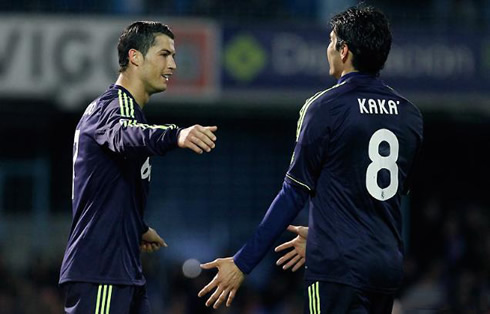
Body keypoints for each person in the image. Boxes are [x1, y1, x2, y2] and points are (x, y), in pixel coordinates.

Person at [198, 5, 423, 313]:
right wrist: (323, 234)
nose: (328, 50)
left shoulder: (323, 108)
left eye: (331, 41)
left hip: (337, 268)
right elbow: (385, 195)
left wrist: (243, 262)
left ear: (344, 50)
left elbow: (293, 194)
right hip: (385, 267)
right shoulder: (410, 115)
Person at [59, 21, 218, 314]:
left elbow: (105, 183)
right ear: (135, 57)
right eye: (164, 54)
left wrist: (136, 226)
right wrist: (176, 135)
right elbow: (125, 135)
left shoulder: (123, 111)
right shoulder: (116, 107)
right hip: (102, 270)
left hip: (121, 269)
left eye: (173, 56)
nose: (172, 65)